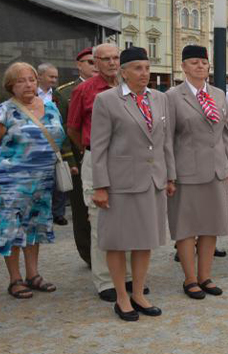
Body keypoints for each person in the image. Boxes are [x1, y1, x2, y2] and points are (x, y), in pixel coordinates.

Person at [90, 46, 171, 321]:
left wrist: (169, 176)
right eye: (137, 68)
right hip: (120, 182)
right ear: (123, 72)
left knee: (144, 240)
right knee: (118, 241)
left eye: (147, 68)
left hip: (152, 180)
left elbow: (164, 141)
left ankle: (138, 292)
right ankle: (121, 297)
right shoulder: (107, 100)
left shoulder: (160, 99)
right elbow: (98, 147)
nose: (144, 73)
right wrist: (100, 186)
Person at [68, 43, 143, 302]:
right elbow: (74, 128)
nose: (112, 63)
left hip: (130, 160)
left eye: (115, 58)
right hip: (98, 158)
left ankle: (132, 277)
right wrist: (91, 151)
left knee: (133, 218)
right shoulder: (84, 90)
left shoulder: (131, 88)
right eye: (106, 59)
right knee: (101, 220)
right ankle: (106, 281)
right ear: (95, 62)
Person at [166, 45, 228, 299]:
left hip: (216, 170)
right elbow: (167, 138)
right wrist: (170, 174)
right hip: (187, 171)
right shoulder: (172, 96)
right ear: (183, 66)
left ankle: (205, 276)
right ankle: (190, 279)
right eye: (194, 62)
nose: (200, 66)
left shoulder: (217, 94)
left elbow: (225, 135)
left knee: (210, 225)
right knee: (186, 226)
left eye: (203, 62)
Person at [1, 62, 64, 298]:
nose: (28, 84)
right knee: (13, 231)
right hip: (12, 183)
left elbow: (60, 136)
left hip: (42, 180)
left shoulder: (50, 108)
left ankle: (33, 274)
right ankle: (15, 279)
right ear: (11, 86)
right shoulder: (5, 111)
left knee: (34, 228)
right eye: (21, 80)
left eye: (32, 79)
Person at [57, 48, 97, 265]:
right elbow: (63, 130)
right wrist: (71, 159)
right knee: (82, 210)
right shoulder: (64, 93)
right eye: (89, 62)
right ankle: (88, 255)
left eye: (95, 61)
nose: (94, 66)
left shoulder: (111, 88)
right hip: (80, 158)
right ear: (78, 65)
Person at [37, 63, 69, 226]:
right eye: (51, 76)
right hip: (35, 146)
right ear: (40, 76)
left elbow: (65, 122)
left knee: (58, 180)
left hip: (55, 146)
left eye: (56, 77)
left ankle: (58, 213)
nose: (54, 80)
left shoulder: (59, 96)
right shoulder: (30, 95)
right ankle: (41, 213)